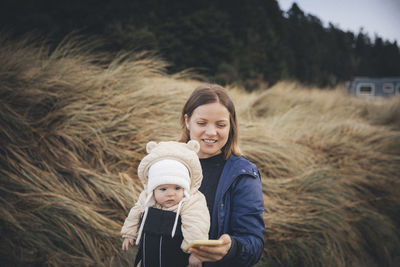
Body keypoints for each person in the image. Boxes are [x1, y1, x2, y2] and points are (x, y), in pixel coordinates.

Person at [179, 84, 265, 267]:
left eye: (221, 125)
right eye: (202, 123)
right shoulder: (167, 162)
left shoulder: (243, 174)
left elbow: (254, 244)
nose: (211, 132)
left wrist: (231, 248)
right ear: (187, 121)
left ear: (231, 126)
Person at [121, 140, 210, 267]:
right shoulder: (147, 197)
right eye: (163, 189)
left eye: (177, 188)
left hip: (177, 258)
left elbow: (197, 225)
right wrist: (129, 233)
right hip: (149, 255)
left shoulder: (191, 201)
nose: (171, 194)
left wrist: (196, 253)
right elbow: (135, 213)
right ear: (153, 189)